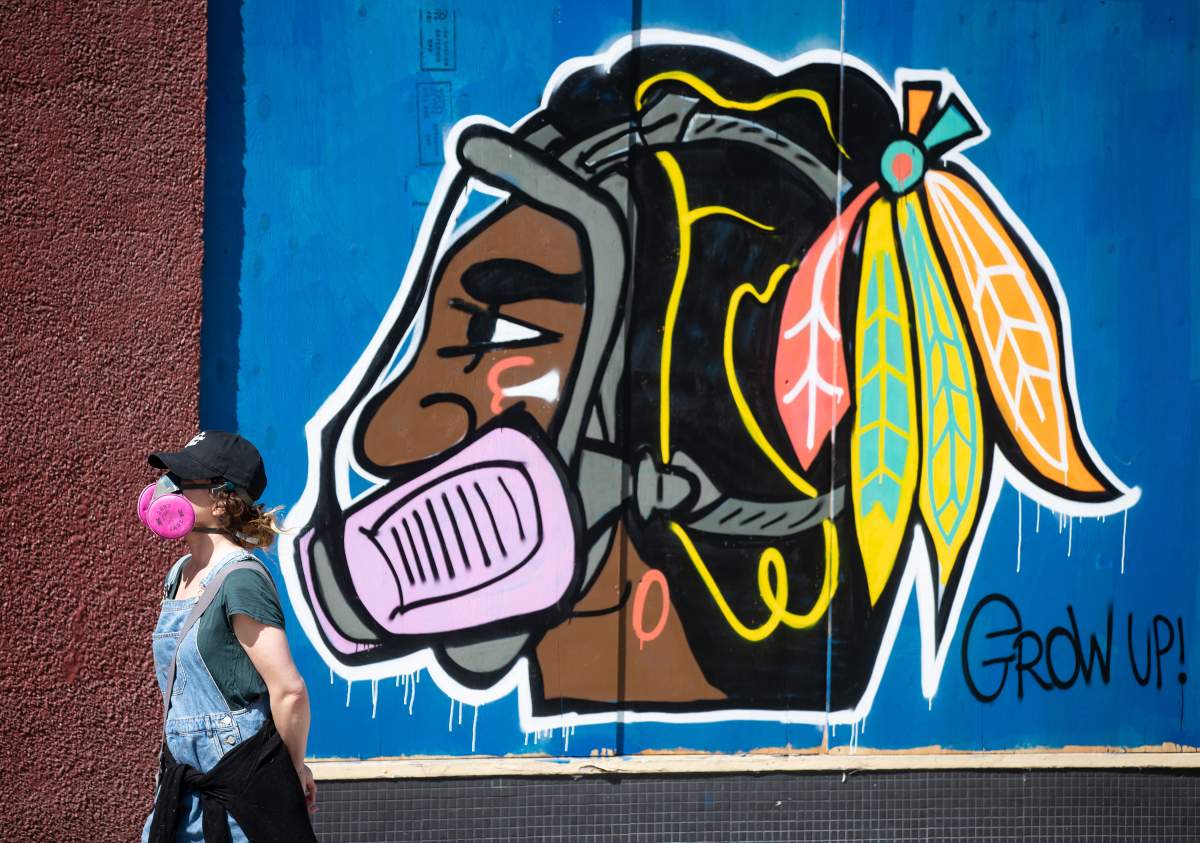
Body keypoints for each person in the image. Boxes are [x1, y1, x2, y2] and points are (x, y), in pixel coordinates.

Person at [139, 430, 317, 843]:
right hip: (183, 793)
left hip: (239, 798)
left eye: (184, 482)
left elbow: (289, 691)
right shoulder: (179, 574)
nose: (168, 488)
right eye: (170, 478)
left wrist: (287, 775)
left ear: (221, 500)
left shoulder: (240, 579)